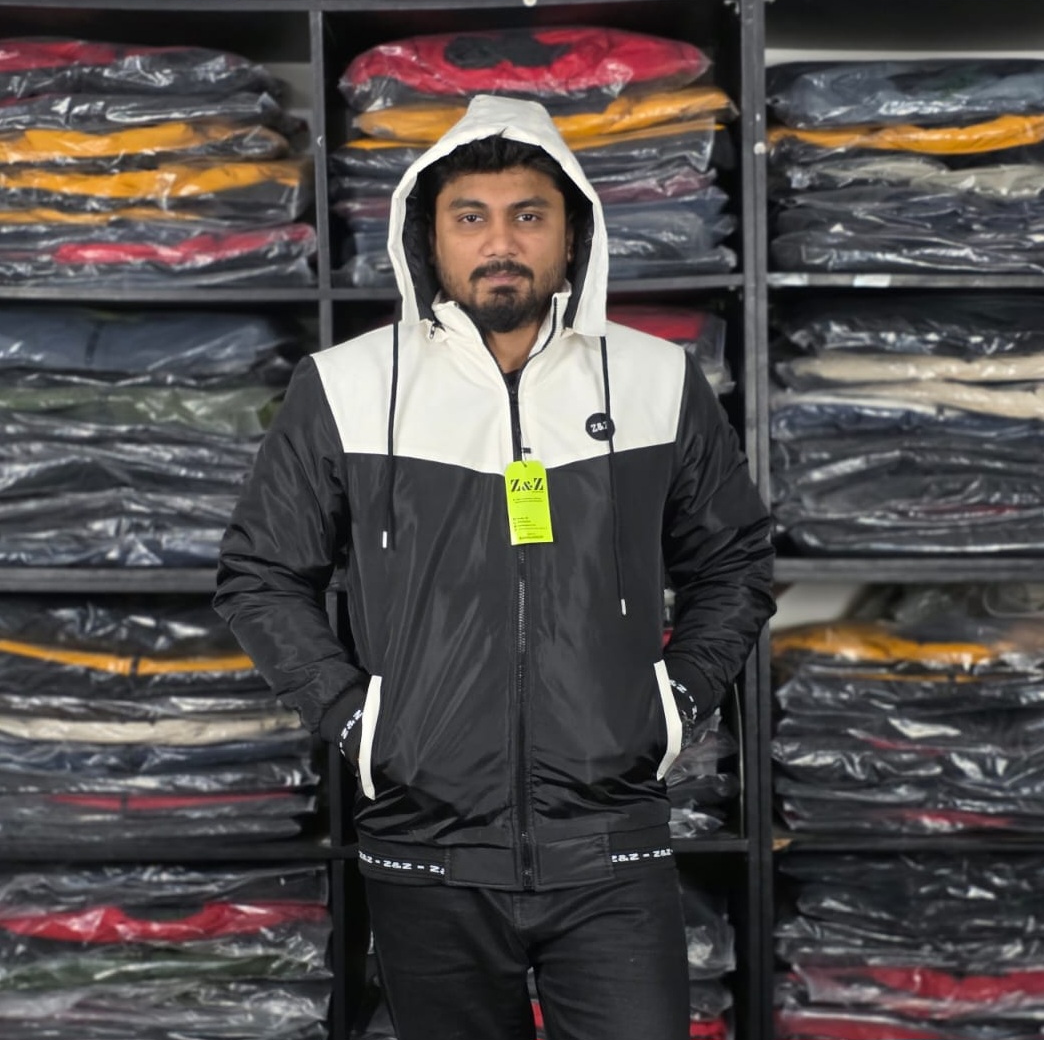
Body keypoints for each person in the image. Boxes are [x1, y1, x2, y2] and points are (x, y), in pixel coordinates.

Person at [215, 94, 775, 1040]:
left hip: (610, 845)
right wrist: (360, 722)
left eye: (528, 215)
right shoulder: (348, 386)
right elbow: (260, 572)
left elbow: (735, 558)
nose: (500, 242)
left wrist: (673, 703)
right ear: (427, 236)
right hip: (426, 847)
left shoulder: (655, 379)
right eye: (470, 217)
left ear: (573, 232)